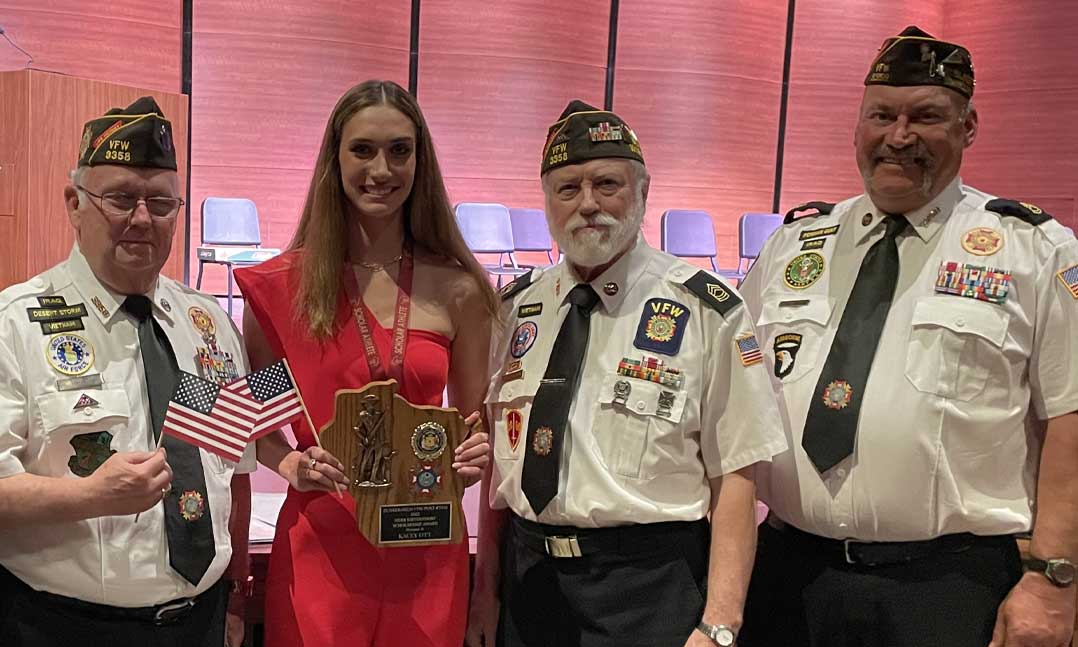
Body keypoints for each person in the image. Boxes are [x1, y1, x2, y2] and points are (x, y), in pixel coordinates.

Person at [738, 26, 1078, 647]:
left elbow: (1071, 419)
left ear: (968, 127)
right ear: (858, 124)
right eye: (882, 115)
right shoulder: (794, 244)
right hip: (789, 577)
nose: (899, 137)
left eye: (926, 116)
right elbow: (737, 386)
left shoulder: (1033, 250)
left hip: (949, 588)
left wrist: (1053, 580)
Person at [465, 100, 788, 647]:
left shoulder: (708, 310)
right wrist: (485, 591)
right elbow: (501, 470)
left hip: (648, 592)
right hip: (530, 585)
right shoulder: (514, 309)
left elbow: (737, 475)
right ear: (547, 203)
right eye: (567, 189)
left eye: (606, 184)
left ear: (642, 192)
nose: (587, 204)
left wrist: (721, 622)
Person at [233, 79, 493, 647]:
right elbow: (259, 421)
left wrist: (475, 451)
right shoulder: (284, 290)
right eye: (363, 150)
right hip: (321, 545)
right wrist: (290, 466)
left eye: (400, 150)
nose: (382, 169)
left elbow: (477, 428)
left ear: (420, 161)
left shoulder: (458, 290)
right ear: (335, 158)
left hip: (426, 541)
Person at [0, 97, 255, 647]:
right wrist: (90, 496)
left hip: (201, 623)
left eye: (161, 203)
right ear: (75, 203)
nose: (142, 218)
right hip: (62, 628)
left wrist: (238, 591)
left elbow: (236, 470)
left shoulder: (208, 322)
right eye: (120, 198)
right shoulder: (12, 324)